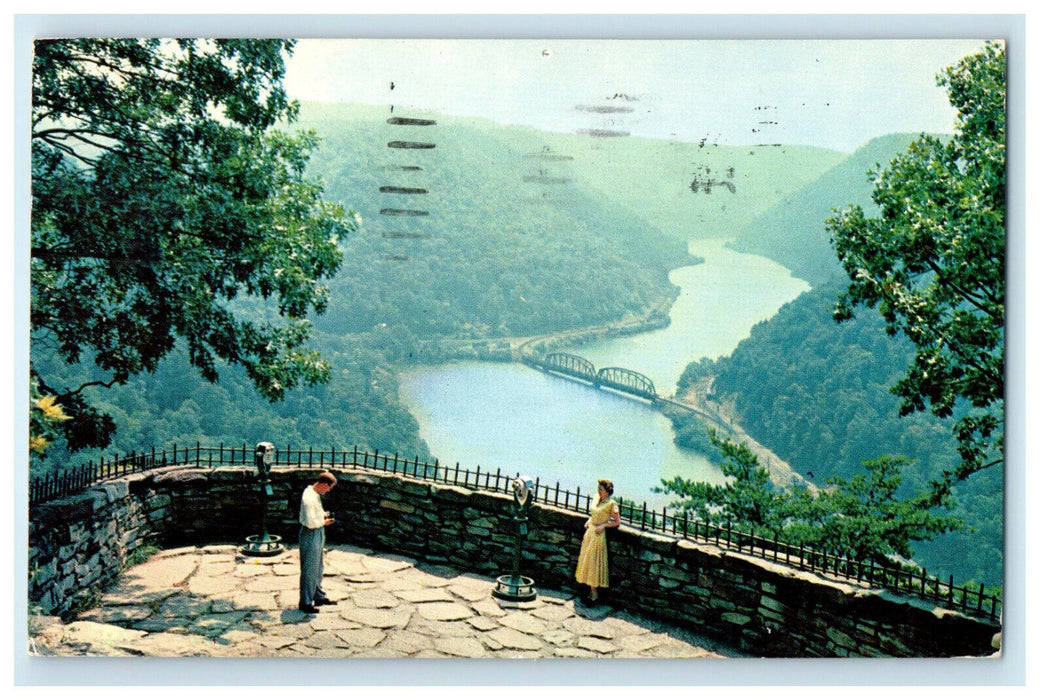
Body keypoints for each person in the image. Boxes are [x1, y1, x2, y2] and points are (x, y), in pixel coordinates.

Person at [574, 478, 620, 604]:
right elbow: (595, 513)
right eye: (598, 489)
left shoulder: (611, 504)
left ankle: (594, 593)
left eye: (601, 489)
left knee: (594, 563)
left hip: (598, 535)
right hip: (590, 533)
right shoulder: (596, 498)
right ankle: (586, 590)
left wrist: (603, 525)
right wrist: (590, 520)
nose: (598, 491)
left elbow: (616, 521)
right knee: (586, 561)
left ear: (607, 491)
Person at [298, 471, 337, 613]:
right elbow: (310, 521)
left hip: (317, 532)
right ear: (324, 484)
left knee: (318, 566)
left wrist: (322, 514)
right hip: (311, 533)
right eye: (329, 487)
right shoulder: (309, 498)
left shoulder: (314, 494)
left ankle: (318, 595)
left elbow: (314, 514)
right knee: (310, 568)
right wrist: (323, 521)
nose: (329, 490)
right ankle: (306, 602)